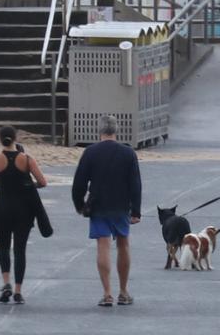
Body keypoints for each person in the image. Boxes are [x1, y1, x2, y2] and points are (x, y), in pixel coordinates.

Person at [71, 115, 142, 307]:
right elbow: (135, 184)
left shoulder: (90, 152)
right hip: (121, 206)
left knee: (102, 246)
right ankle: (124, 291)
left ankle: (107, 293)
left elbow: (79, 183)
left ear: (99, 131)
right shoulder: (128, 153)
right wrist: (136, 210)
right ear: (116, 131)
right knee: (123, 245)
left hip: (98, 205)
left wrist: (79, 205)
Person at [0, 126, 48, 305]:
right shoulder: (27, 159)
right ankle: (19, 291)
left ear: (0, 140)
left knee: (3, 247)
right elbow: (43, 182)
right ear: (15, 139)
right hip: (23, 210)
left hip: (2, 208)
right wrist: (29, 185)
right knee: (20, 249)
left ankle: (6, 283)